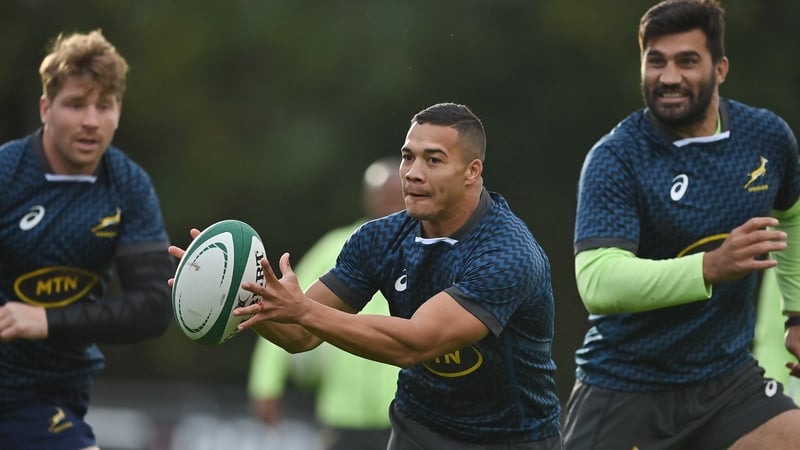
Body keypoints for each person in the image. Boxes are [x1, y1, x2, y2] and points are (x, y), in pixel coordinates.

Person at [171, 102, 563, 449]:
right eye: (408, 157)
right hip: (419, 430)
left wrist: (301, 310)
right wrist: (241, 293)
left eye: (434, 160)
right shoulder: (379, 239)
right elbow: (300, 335)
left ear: (472, 171)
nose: (412, 173)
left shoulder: (508, 253)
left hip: (512, 438)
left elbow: (417, 344)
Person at [565, 1, 800, 449]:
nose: (669, 77)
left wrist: (797, 314)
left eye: (687, 61)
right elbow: (598, 281)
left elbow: (793, 214)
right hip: (627, 387)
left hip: (727, 382)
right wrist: (709, 267)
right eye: (656, 61)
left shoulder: (765, 138)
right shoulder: (617, 157)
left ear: (721, 68)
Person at [0, 30, 174, 449]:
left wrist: (46, 320)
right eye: (76, 105)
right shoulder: (7, 174)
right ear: (46, 108)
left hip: (50, 395)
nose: (91, 121)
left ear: (118, 111)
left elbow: (153, 307)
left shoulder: (127, 186)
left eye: (104, 105)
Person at [247, 156, 404, 450]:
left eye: (396, 195)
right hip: (341, 410)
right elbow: (284, 307)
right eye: (382, 195)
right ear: (367, 198)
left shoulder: (428, 247)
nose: (388, 203)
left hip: (402, 410)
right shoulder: (337, 246)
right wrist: (265, 383)